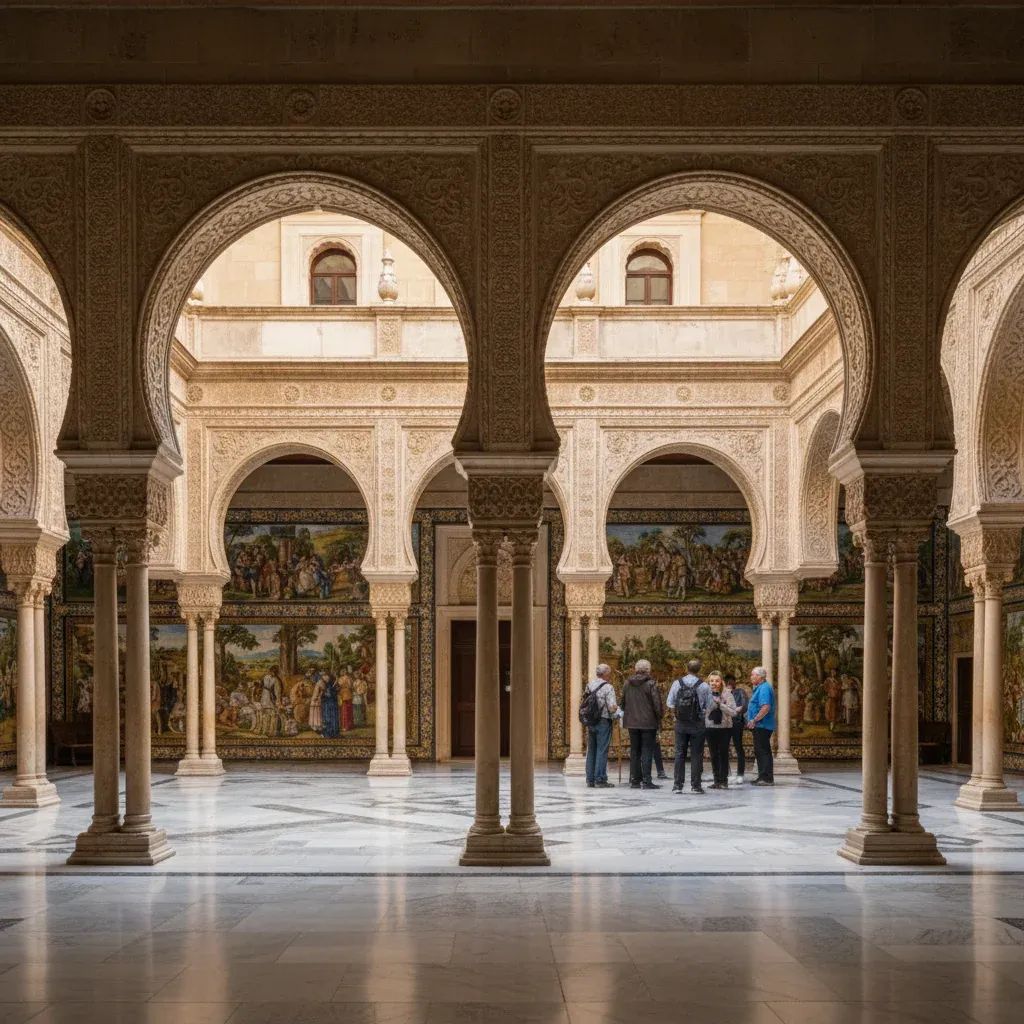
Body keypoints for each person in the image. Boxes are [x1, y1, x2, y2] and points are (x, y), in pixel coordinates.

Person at [667, 658, 710, 794]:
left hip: (681, 723)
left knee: (679, 754)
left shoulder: (677, 683)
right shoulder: (704, 686)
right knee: (697, 755)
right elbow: (709, 706)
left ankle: (677, 786)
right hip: (697, 724)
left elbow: (670, 703)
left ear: (687, 668)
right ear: (699, 670)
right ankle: (696, 786)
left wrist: (678, 714)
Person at [621, 659, 663, 790]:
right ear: (648, 670)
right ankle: (647, 780)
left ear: (636, 669)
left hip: (632, 723)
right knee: (647, 750)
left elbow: (622, 703)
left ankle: (634, 780)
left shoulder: (627, 683)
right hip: (648, 723)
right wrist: (660, 716)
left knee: (635, 751)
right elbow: (657, 705)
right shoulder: (651, 684)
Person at [583, 663, 620, 788]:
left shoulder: (590, 684)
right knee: (602, 750)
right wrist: (618, 712)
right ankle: (600, 779)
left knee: (591, 750)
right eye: (609, 673)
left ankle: (590, 779)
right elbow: (612, 707)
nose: (610, 676)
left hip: (591, 721)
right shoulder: (608, 687)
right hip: (603, 721)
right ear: (606, 674)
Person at [704, 672, 738, 789]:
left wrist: (721, 705)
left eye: (716, 681)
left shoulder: (727, 694)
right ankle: (716, 780)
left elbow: (734, 712)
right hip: (710, 727)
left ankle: (724, 781)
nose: (714, 683)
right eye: (712, 681)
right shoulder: (705, 694)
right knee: (713, 755)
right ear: (708, 682)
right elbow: (702, 710)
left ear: (721, 682)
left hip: (725, 728)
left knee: (723, 753)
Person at [746, 665, 777, 785]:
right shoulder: (760, 687)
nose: (751, 677)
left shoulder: (764, 688)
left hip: (762, 726)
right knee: (761, 751)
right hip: (760, 726)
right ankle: (763, 776)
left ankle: (766, 778)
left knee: (763, 751)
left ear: (760, 676)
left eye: (753, 675)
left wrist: (754, 720)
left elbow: (765, 707)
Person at [724, 672, 748, 784]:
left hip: (737, 722)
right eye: (727, 682)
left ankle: (740, 774)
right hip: (724, 724)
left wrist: (734, 710)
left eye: (731, 682)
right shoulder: (722, 693)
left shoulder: (740, 692)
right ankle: (726, 773)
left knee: (738, 747)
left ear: (734, 683)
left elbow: (743, 706)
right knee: (724, 748)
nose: (729, 684)